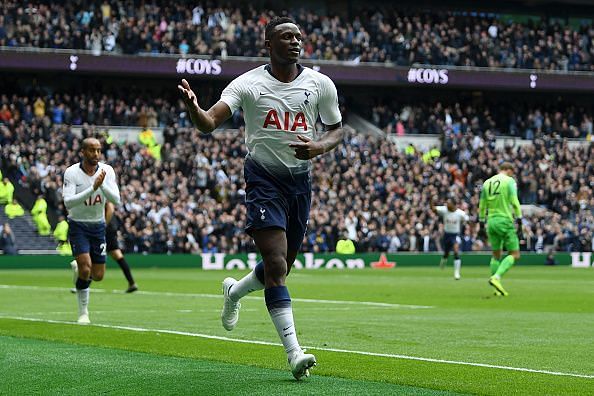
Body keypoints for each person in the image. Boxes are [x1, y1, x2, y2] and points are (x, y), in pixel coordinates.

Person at [178, 16, 344, 380]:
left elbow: (335, 130)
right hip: (263, 177)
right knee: (275, 263)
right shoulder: (248, 84)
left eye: (299, 36)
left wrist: (318, 147)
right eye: (286, 37)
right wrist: (193, 107)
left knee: (280, 266)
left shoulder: (320, 84)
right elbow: (208, 123)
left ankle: (234, 291)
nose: (295, 41)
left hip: (300, 182)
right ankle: (294, 353)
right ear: (268, 45)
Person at [62, 137, 120, 324]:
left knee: (98, 275)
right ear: (83, 152)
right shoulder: (71, 173)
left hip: (98, 225)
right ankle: (83, 313)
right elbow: (68, 202)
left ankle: (77, 268)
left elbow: (116, 199)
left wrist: (101, 185)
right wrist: (92, 189)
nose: (95, 154)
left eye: (98, 150)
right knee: (86, 269)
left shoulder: (107, 171)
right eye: (91, 150)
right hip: (78, 224)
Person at [478, 162, 523, 296]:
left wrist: (481, 223)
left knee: (496, 255)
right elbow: (514, 202)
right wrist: (519, 220)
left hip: (491, 221)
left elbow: (482, 205)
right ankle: (496, 278)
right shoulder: (509, 181)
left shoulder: (487, 183)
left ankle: (496, 289)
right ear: (508, 170)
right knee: (515, 254)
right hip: (504, 220)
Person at [431, 198, 469, 280]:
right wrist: (431, 200)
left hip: (455, 234)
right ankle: (443, 260)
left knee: (456, 251)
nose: (446, 205)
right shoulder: (444, 210)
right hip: (447, 234)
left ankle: (456, 273)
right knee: (446, 253)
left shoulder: (460, 213)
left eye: (448, 203)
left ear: (453, 204)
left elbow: (467, 219)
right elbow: (433, 209)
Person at [105, 201, 138, 292]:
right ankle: (132, 283)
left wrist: (104, 224)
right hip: (111, 228)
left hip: (106, 229)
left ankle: (83, 284)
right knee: (117, 255)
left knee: (95, 255)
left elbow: (110, 208)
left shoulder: (103, 191)